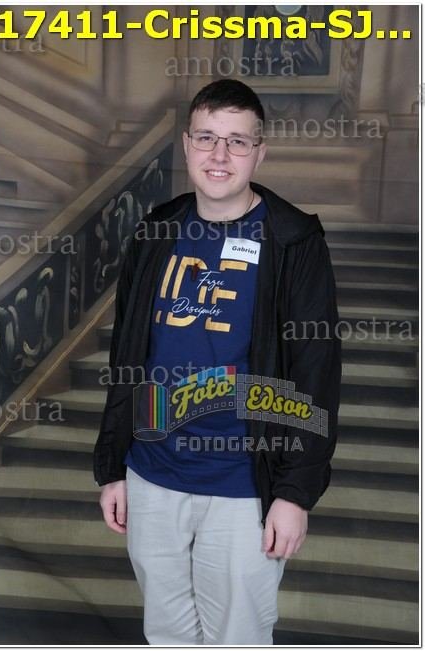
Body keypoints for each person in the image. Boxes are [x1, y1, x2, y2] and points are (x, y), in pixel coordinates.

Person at [93, 79, 341, 645]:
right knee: (167, 633)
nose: (220, 155)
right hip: (152, 471)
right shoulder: (157, 230)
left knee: (238, 635)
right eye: (206, 137)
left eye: (237, 141)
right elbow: (127, 356)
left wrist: (294, 493)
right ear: (186, 145)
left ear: (259, 152)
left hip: (244, 481)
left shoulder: (293, 240)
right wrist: (114, 466)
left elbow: (316, 373)